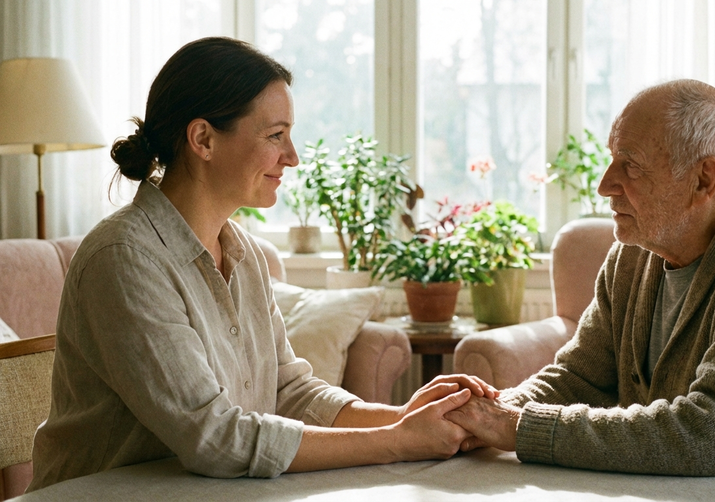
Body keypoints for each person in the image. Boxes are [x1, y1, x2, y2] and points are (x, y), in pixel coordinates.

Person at [28, 37, 496, 491]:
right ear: (203, 139)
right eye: (276, 135)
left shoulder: (244, 253)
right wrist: (397, 441)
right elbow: (214, 438)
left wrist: (406, 418)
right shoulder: (124, 259)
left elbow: (288, 391)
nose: (292, 157)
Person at [446, 79, 715, 482]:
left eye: (630, 166)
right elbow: (579, 377)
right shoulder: (633, 253)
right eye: (612, 159)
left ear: (704, 179)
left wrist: (517, 426)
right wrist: (482, 414)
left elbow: (711, 436)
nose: (604, 185)